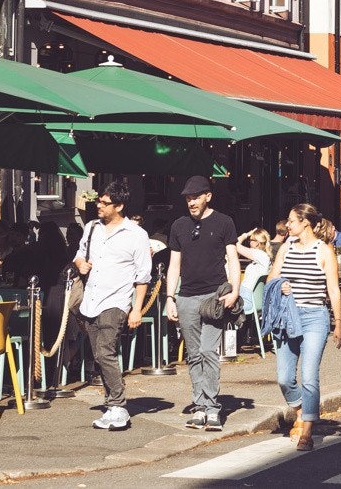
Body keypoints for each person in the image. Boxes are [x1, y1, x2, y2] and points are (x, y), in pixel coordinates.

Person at [165, 175, 240, 431]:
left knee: (209, 351)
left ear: (208, 196)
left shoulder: (224, 222)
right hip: (185, 297)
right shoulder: (178, 226)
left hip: (214, 297)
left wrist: (234, 291)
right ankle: (199, 406)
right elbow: (174, 264)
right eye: (187, 198)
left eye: (196, 196)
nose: (191, 202)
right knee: (193, 354)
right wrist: (169, 298)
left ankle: (212, 407)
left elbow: (233, 259)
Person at [267, 203, 341, 451]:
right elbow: (271, 278)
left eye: (291, 221)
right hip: (287, 317)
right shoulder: (285, 249)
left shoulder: (324, 251)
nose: (287, 225)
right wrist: (280, 285)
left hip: (314, 317)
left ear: (305, 223)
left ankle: (307, 430)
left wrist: (339, 323)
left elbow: (333, 289)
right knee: (284, 378)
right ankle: (301, 410)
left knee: (309, 376)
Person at [75, 180, 151, 431]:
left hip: (116, 301)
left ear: (119, 206)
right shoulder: (91, 228)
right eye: (99, 201)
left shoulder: (136, 235)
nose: (99, 205)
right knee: (97, 355)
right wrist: (80, 264)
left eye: (105, 203)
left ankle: (119, 405)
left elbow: (143, 277)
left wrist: (136, 308)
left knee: (104, 351)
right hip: (91, 300)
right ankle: (111, 406)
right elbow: (79, 253)